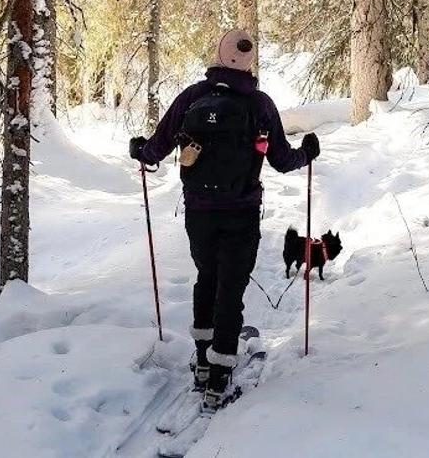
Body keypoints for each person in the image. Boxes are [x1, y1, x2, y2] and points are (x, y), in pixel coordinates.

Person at [129, 28, 319, 411]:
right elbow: (281, 160)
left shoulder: (192, 98)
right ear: (249, 61)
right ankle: (220, 378)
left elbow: (157, 148)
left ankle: (202, 362)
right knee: (230, 290)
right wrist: (307, 153)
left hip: (199, 211)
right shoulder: (260, 104)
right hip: (241, 210)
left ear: (218, 54)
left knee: (207, 278)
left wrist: (139, 149)